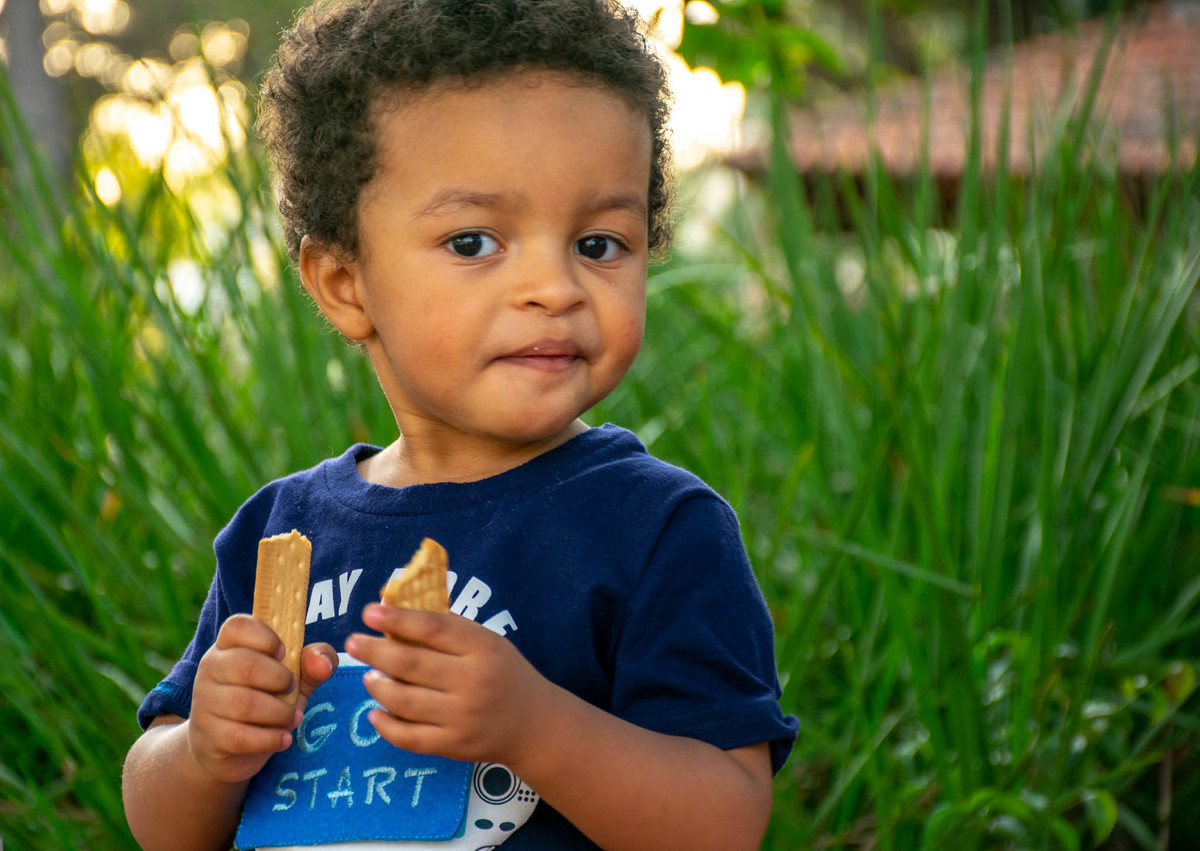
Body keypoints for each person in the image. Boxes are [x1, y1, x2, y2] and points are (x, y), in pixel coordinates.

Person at [121, 0, 797, 848]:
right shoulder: (278, 532)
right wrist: (203, 751)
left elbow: (725, 820)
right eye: (475, 242)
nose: (554, 288)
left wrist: (536, 726)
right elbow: (163, 826)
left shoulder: (656, 530)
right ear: (344, 284)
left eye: (598, 244)